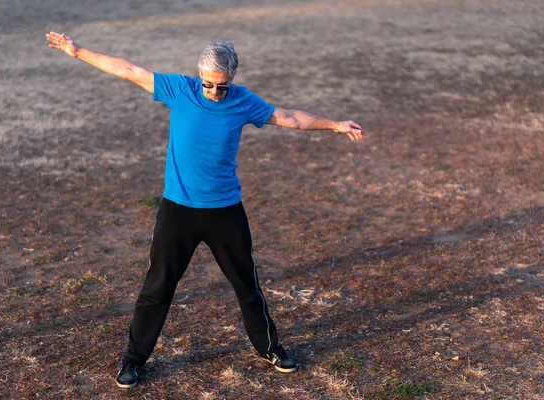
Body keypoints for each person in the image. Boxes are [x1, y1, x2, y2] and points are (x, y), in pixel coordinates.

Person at [46, 31, 365, 389]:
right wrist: (77, 52)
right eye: (209, 85)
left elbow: (290, 117)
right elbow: (128, 69)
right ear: (199, 75)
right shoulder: (178, 89)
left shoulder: (244, 102)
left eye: (222, 86)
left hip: (225, 212)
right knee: (157, 288)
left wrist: (334, 125)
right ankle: (133, 359)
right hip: (178, 212)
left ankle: (270, 348)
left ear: (233, 79)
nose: (214, 92)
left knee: (247, 285)